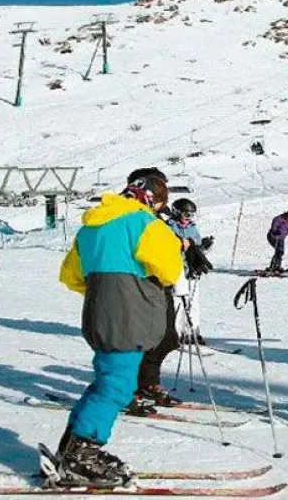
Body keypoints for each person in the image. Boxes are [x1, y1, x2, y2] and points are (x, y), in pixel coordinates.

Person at [54, 175, 182, 487]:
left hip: (99, 311)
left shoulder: (92, 225)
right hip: (129, 312)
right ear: (154, 200)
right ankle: (82, 455)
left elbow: (71, 276)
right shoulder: (145, 224)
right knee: (118, 387)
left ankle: (71, 449)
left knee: (106, 381)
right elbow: (170, 270)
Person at [166, 198, 214, 349]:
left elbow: (197, 248)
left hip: (192, 269)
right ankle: (177, 333)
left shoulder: (192, 228)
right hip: (177, 268)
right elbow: (168, 247)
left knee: (193, 301)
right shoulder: (168, 227)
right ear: (177, 213)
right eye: (186, 215)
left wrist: (205, 246)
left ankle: (193, 331)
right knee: (178, 302)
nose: (189, 219)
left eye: (191, 215)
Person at [266, 206, 288, 273]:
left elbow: (286, 230)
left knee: (281, 252)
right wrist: (275, 231)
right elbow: (273, 227)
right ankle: (273, 266)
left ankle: (277, 266)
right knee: (279, 250)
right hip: (273, 237)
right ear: (287, 214)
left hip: (281, 238)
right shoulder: (278, 218)